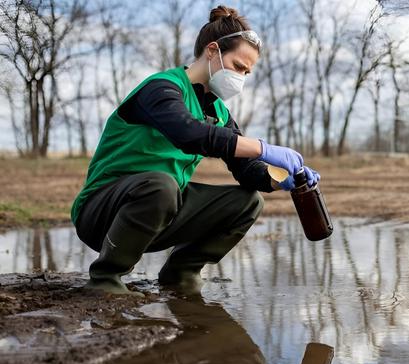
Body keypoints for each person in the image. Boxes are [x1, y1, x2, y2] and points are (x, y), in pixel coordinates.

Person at [70, 5, 318, 296]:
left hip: (160, 207)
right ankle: (106, 279)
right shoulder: (161, 88)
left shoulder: (218, 112)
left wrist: (282, 178)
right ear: (212, 51)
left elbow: (246, 170)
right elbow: (188, 134)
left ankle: (181, 273)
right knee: (160, 185)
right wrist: (263, 147)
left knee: (247, 203)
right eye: (239, 66)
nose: (242, 77)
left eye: (247, 72)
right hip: (102, 212)